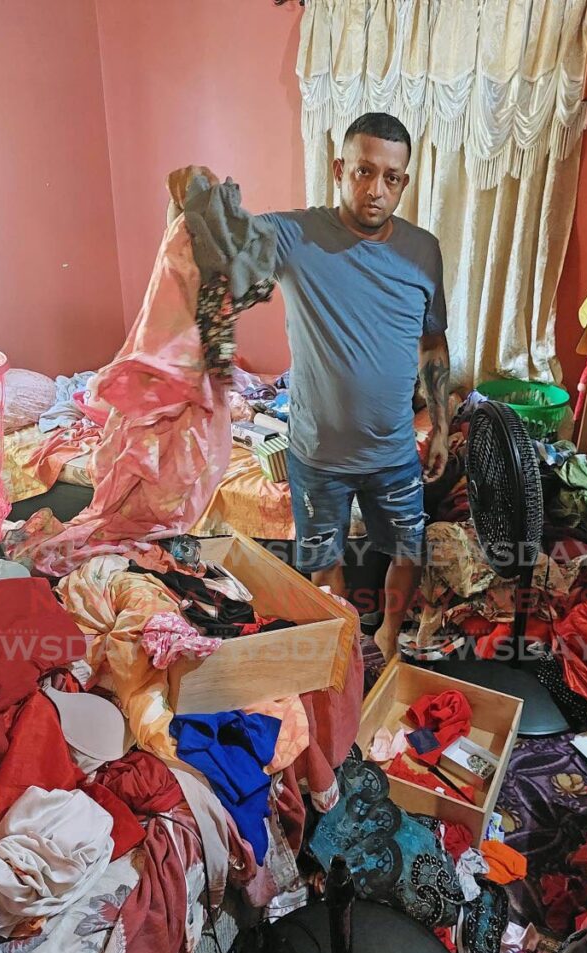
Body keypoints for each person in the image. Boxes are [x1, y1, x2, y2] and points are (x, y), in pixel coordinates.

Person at [188, 112, 450, 660]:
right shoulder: (294, 234)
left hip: (395, 449)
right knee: (321, 561)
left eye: (392, 178)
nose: (376, 190)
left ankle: (388, 635)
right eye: (364, 171)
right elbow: (231, 247)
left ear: (405, 181)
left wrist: (443, 428)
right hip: (317, 453)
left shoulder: (423, 251)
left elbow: (433, 346)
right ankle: (343, 650)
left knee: (409, 551)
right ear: (339, 168)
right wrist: (197, 194)